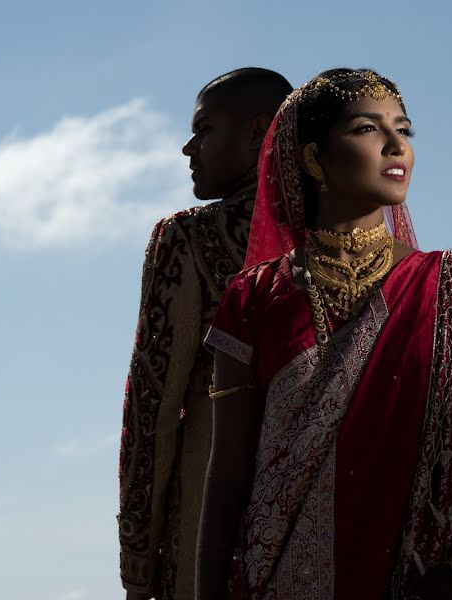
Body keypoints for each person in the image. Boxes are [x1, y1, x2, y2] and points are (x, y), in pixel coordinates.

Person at [197, 68, 452, 600]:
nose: (396, 145)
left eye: (404, 130)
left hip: (426, 583)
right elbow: (228, 478)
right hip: (284, 583)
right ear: (313, 158)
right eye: (367, 129)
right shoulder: (254, 296)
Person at [118, 68, 292, 600]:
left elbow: (153, 406)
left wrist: (138, 567)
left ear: (260, 132)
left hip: (205, 531)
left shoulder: (187, 239)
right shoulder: (351, 242)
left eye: (205, 129)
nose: (188, 148)